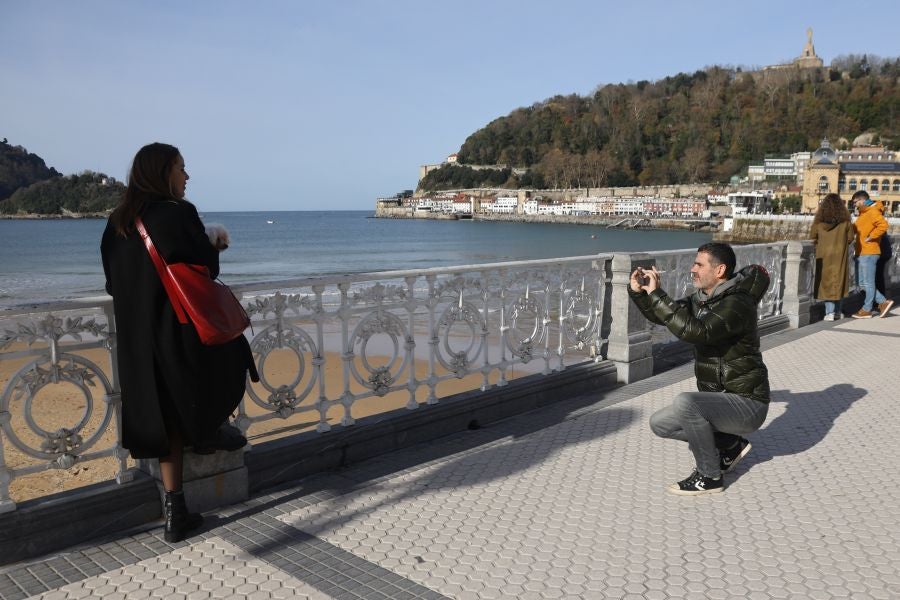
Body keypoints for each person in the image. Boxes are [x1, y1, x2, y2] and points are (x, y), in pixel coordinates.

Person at [101, 143, 258, 542]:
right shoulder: (178, 213)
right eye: (181, 168)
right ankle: (210, 430)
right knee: (234, 355)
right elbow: (205, 268)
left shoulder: (117, 222)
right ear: (163, 173)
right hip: (177, 334)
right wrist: (216, 244)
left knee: (166, 418)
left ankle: (176, 510)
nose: (187, 177)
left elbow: (113, 283)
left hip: (138, 343)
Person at [628, 242, 770, 495]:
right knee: (660, 424)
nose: (692, 269)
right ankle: (729, 445)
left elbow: (697, 332)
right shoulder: (702, 299)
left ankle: (709, 476)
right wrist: (642, 293)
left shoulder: (737, 304)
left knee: (687, 403)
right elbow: (665, 316)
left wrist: (659, 294)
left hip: (747, 404)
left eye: (699, 265)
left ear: (720, 270)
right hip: (721, 400)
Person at [810, 193, 854, 321]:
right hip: (840, 257)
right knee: (839, 282)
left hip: (823, 257)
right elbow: (850, 238)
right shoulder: (846, 222)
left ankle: (829, 313)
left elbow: (813, 237)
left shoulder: (818, 223)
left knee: (826, 283)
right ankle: (838, 312)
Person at [850, 190, 893, 319]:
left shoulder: (872, 211)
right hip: (862, 252)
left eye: (855, 202)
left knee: (868, 283)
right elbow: (856, 229)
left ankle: (867, 309)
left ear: (862, 200)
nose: (854, 205)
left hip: (869, 252)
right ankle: (883, 302)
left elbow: (883, 225)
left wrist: (871, 237)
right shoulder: (864, 213)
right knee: (862, 284)